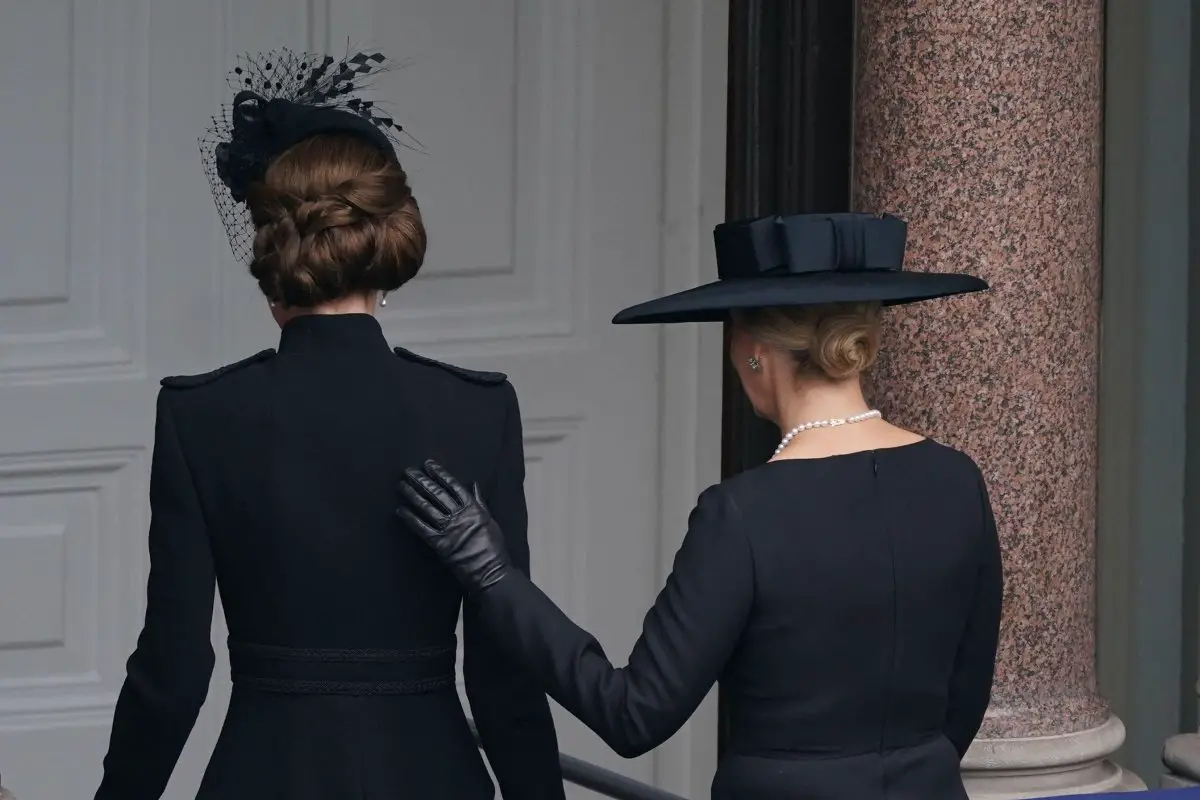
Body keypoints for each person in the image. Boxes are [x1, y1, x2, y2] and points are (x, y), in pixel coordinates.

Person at [395, 212, 1004, 800]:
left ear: (753, 349)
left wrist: (495, 577)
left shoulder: (743, 515)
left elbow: (633, 714)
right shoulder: (957, 481)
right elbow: (962, 705)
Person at [94, 49, 565, 800]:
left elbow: (173, 670)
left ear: (270, 252)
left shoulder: (201, 415)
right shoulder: (477, 409)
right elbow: (504, 670)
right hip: (433, 777)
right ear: (381, 244)